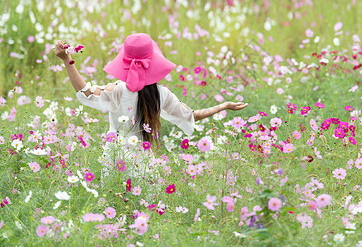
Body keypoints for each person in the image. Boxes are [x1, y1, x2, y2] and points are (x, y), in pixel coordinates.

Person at [54, 33, 248, 182]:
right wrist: (223, 106)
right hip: (143, 166)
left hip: (114, 161)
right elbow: (192, 115)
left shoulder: (117, 91)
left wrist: (67, 60)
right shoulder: (160, 95)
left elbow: (85, 91)